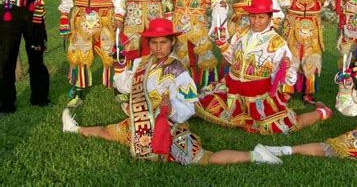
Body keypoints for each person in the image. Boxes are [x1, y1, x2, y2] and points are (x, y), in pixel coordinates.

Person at [62, 18, 284, 165]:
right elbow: (125, 86)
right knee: (108, 132)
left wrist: (170, 110)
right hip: (143, 121)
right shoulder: (142, 61)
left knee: (205, 158)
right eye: (154, 42)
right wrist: (120, 68)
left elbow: (189, 105)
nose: (158, 47)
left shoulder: (179, 72)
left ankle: (255, 154)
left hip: (172, 127)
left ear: (171, 43)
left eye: (163, 42)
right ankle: (74, 128)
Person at [197, 0, 332, 135]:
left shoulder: (277, 43)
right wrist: (224, 47)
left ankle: (321, 113)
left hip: (257, 94)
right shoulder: (241, 33)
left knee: (282, 125)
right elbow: (235, 60)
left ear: (270, 17)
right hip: (233, 89)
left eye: (261, 17)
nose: (256, 21)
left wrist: (284, 68)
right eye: (252, 17)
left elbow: (290, 79)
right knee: (204, 105)